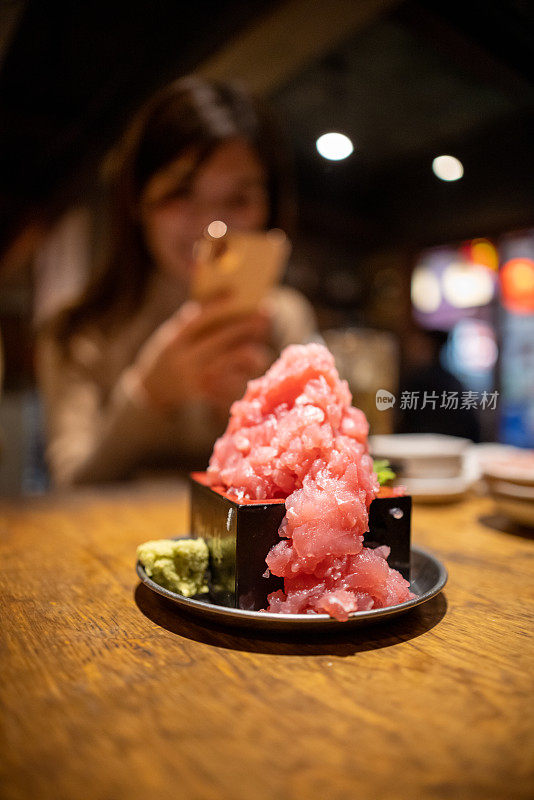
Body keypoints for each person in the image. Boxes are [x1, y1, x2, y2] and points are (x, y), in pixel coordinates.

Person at [37, 76, 317, 487]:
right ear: (137, 199)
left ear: (269, 207)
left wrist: (258, 414)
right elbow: (73, 484)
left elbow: (317, 480)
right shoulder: (77, 332)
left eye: (239, 199)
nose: (214, 228)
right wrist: (148, 394)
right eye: (182, 192)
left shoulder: (285, 318)